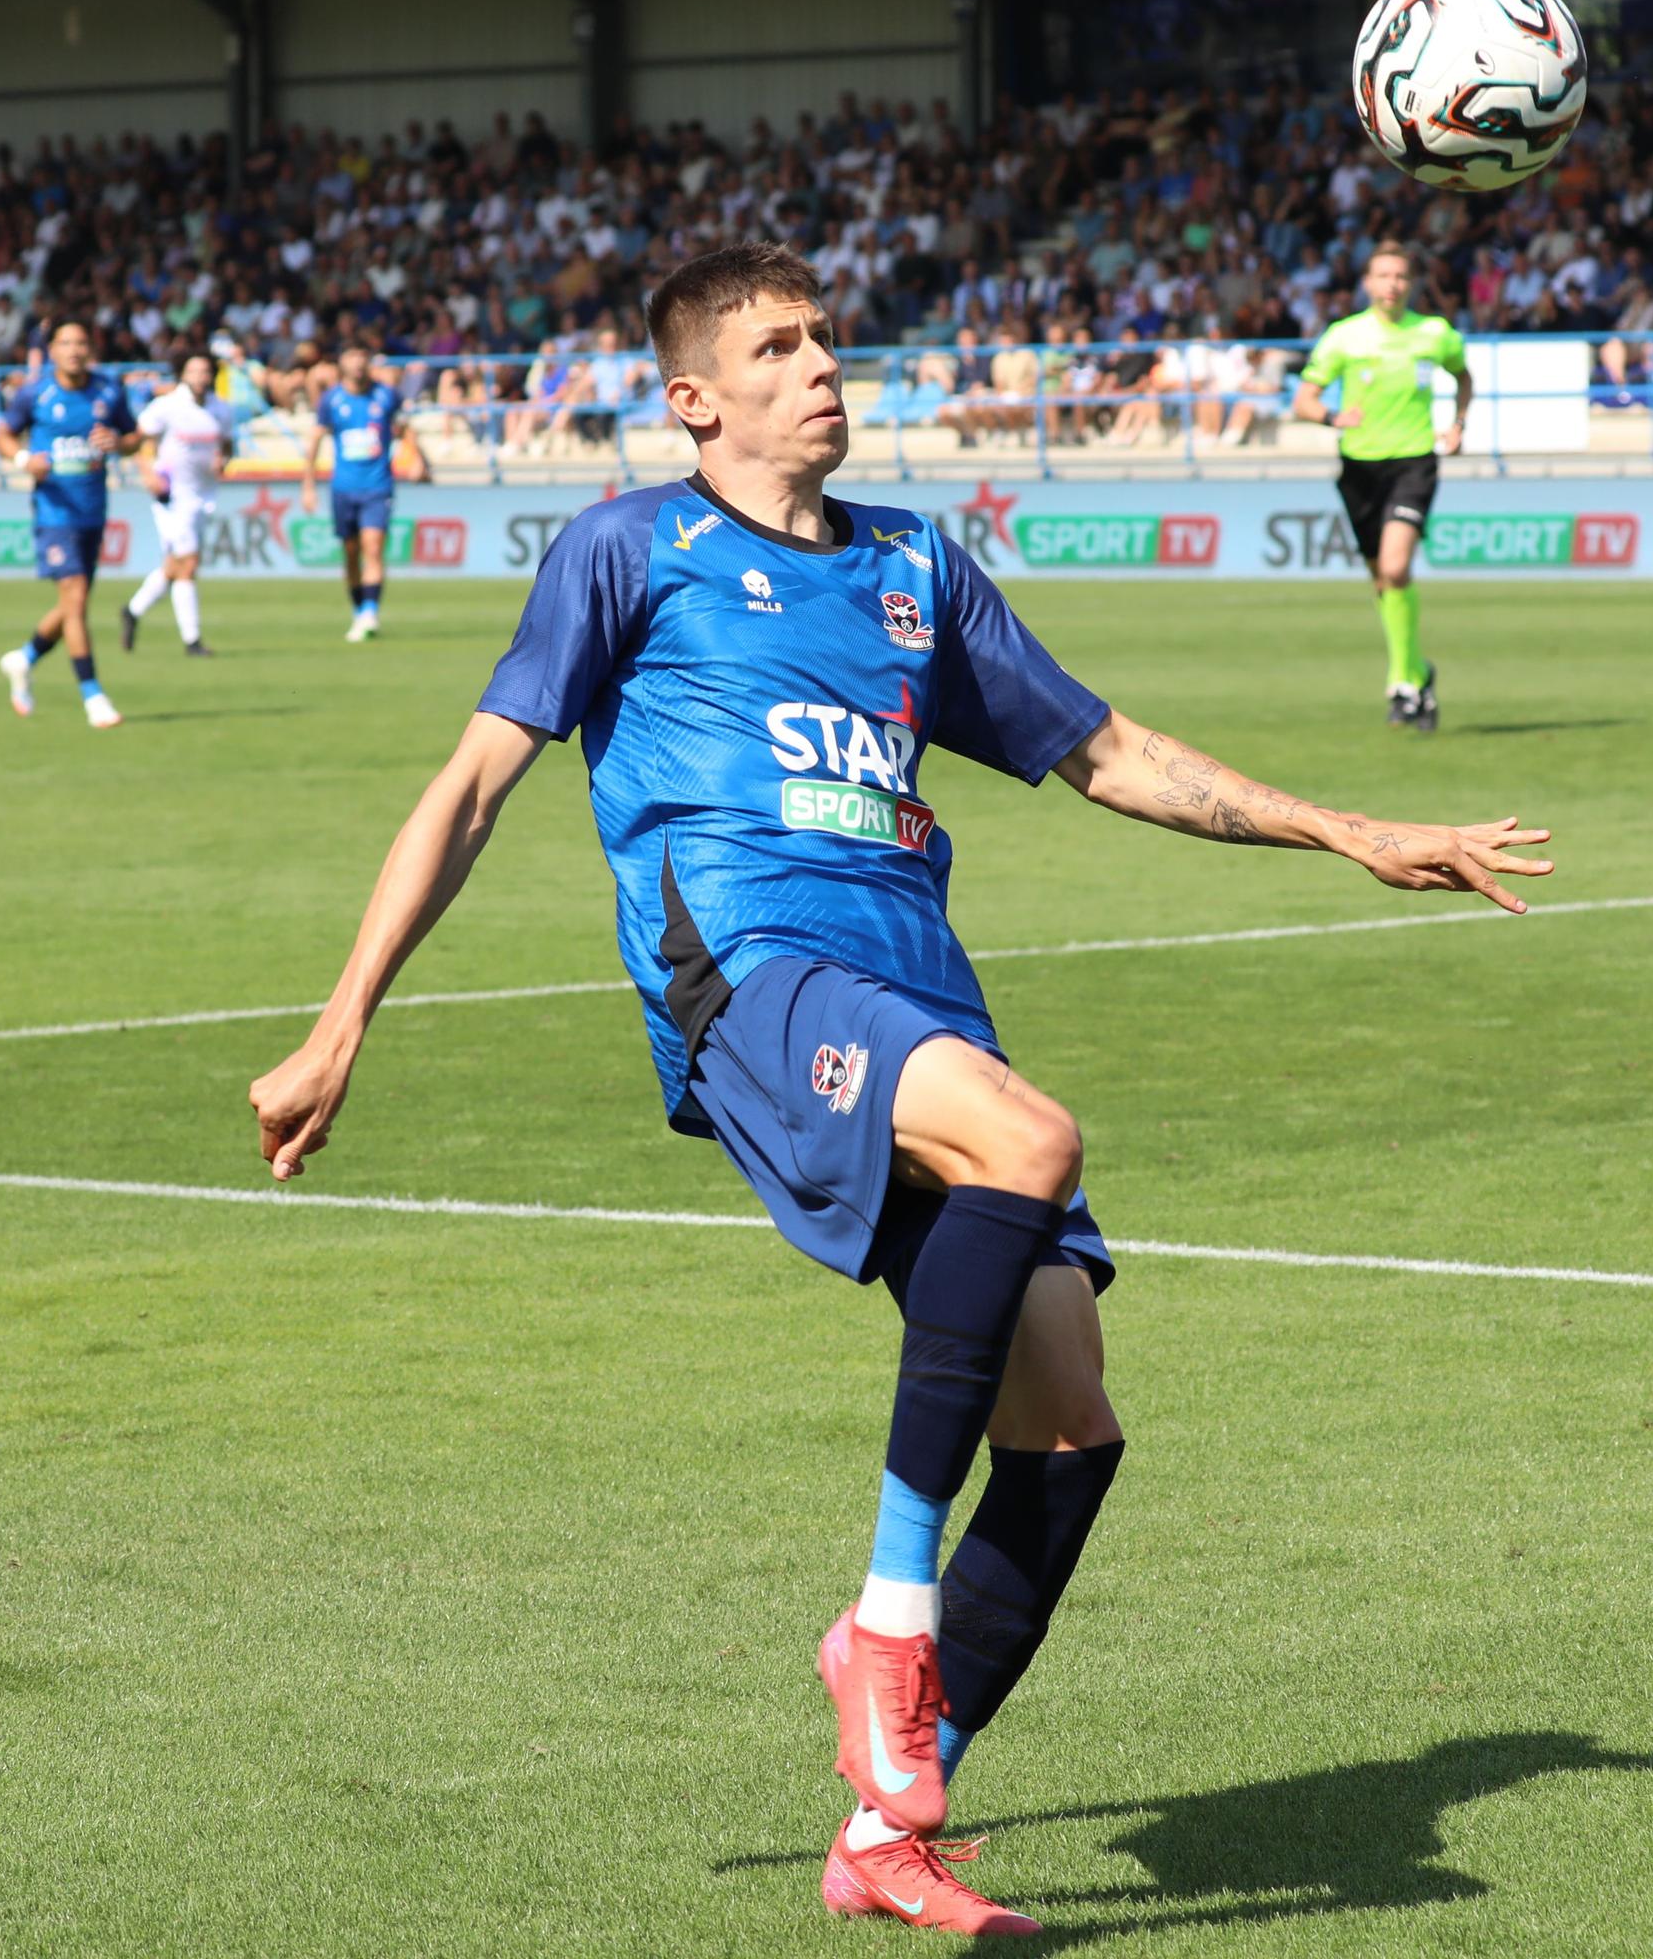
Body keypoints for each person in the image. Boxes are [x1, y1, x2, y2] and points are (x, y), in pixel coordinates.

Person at [246, 242, 1552, 1938]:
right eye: (775, 348)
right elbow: (472, 788)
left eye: (824, 340)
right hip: (753, 985)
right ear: (695, 397)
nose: (819, 367)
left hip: (922, 998)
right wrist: (349, 1016)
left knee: (1072, 1428)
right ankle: (884, 1620)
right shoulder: (628, 552)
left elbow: (1109, 753)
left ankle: (883, 1834)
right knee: (1031, 1135)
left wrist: (1352, 830)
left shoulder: (915, 570)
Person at [1289, 243, 1471, 730]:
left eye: (1400, 275)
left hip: (1414, 461)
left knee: (1395, 567)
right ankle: (1420, 672)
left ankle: (1401, 683)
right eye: (1383, 275)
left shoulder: (1435, 334)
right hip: (1359, 469)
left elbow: (1463, 377)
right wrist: (1332, 416)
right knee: (1381, 579)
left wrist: (1458, 424)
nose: (1392, 283)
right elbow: (1303, 399)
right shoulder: (1343, 337)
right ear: (1367, 283)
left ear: (1411, 284)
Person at [0, 320, 131, 730]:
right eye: (65, 343)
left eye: (81, 342)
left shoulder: (107, 390)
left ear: (90, 348)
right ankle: (93, 695)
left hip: (93, 510)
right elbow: (3, 435)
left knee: (74, 605)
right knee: (75, 596)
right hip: (54, 513)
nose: (73, 349)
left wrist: (119, 444)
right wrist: (22, 460)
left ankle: (24, 659)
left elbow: (135, 435)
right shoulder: (36, 393)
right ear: (52, 351)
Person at [119, 348, 228, 659]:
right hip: (172, 495)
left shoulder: (221, 409)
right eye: (193, 371)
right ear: (183, 374)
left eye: (205, 372)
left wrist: (224, 460)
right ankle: (192, 641)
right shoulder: (167, 406)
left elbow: (227, 445)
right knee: (188, 564)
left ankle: (132, 610)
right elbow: (140, 440)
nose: (200, 377)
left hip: (204, 494)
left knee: (174, 566)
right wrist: (147, 474)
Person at [303, 341, 405, 641]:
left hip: (377, 485)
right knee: (350, 554)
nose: (358, 363)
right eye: (352, 357)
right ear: (342, 363)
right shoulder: (331, 399)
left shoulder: (386, 395)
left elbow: (404, 427)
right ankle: (360, 610)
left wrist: (418, 457)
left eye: (363, 357)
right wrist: (307, 484)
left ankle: (370, 611)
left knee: (373, 548)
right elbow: (315, 440)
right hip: (343, 487)